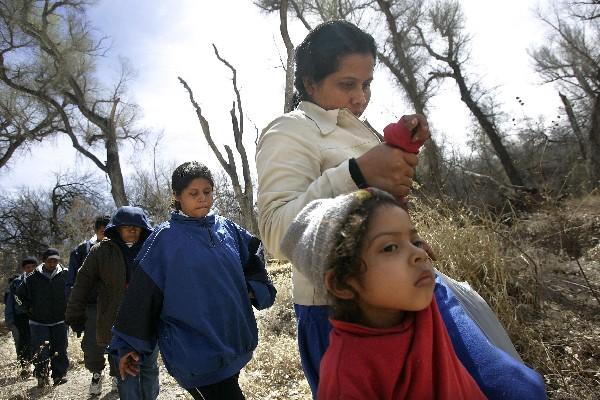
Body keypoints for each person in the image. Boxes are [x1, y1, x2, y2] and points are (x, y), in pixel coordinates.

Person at [256, 19, 524, 397]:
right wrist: (357, 173)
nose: (360, 97)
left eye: (366, 84)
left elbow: (375, 215)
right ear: (310, 84)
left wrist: (408, 240)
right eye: (347, 84)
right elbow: (275, 234)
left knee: (510, 387)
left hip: (412, 294)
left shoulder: (362, 132)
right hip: (348, 316)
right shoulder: (290, 130)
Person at [281, 188, 547, 399]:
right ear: (343, 284)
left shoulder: (423, 306)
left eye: (415, 241)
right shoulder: (347, 376)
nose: (419, 254)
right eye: (389, 248)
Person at [110, 161, 277, 400]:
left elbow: (254, 255)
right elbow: (141, 295)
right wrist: (127, 344)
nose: (203, 199)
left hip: (232, 343)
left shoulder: (227, 229)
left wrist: (253, 290)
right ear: (177, 196)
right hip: (195, 353)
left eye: (207, 192)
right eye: (194, 193)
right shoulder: (164, 240)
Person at [65, 206, 155, 399]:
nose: (132, 230)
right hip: (117, 323)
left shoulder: (153, 248)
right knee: (128, 375)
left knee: (149, 370)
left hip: (149, 321)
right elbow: (82, 283)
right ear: (117, 228)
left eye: (137, 226)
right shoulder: (101, 251)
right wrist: (74, 315)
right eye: (126, 226)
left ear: (144, 228)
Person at [65, 214, 111, 395]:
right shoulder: (81, 250)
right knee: (92, 345)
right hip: (91, 307)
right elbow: (71, 283)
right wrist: (74, 309)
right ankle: (96, 375)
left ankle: (117, 375)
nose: (104, 231)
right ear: (96, 230)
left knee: (117, 343)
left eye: (107, 228)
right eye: (101, 228)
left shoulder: (119, 248)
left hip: (115, 305)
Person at [15, 248, 69, 388]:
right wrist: (28, 309)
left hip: (60, 320)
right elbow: (18, 297)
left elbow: (74, 292)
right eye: (50, 260)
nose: (53, 263)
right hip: (38, 322)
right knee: (41, 351)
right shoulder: (31, 277)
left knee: (60, 349)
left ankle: (59, 375)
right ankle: (41, 375)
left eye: (55, 260)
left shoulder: (65, 274)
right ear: (44, 260)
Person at [4, 257, 37, 378]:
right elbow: (12, 301)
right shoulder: (16, 283)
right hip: (21, 317)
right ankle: (25, 366)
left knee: (37, 340)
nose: (31, 269)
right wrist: (10, 319)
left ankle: (39, 367)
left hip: (38, 316)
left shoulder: (41, 279)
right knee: (23, 342)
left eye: (33, 267)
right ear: (24, 269)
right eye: (28, 267)